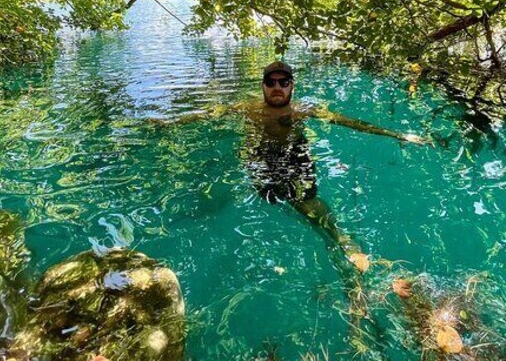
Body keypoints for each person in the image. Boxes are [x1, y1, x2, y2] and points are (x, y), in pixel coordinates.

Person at [161, 60, 430, 273]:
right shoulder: (248, 108)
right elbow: (207, 115)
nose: (277, 87)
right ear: (263, 86)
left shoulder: (303, 110)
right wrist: (166, 124)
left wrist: (397, 135)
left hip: (295, 155)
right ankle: (329, 236)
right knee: (273, 197)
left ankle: (340, 237)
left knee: (305, 200)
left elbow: (349, 122)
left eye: (284, 81)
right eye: (271, 82)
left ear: (292, 86)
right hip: (262, 157)